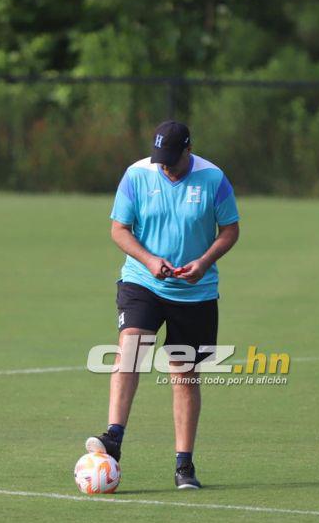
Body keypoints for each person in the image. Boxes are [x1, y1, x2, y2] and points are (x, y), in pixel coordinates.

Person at [86, 120, 240, 489]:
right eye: (161, 159)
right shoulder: (137, 175)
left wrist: (203, 263)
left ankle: (184, 465)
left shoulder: (213, 179)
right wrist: (149, 260)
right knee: (131, 347)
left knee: (183, 374)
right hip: (143, 280)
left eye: (172, 159)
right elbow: (119, 229)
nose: (165, 166)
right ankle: (114, 438)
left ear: (188, 150)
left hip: (196, 291)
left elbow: (230, 229)